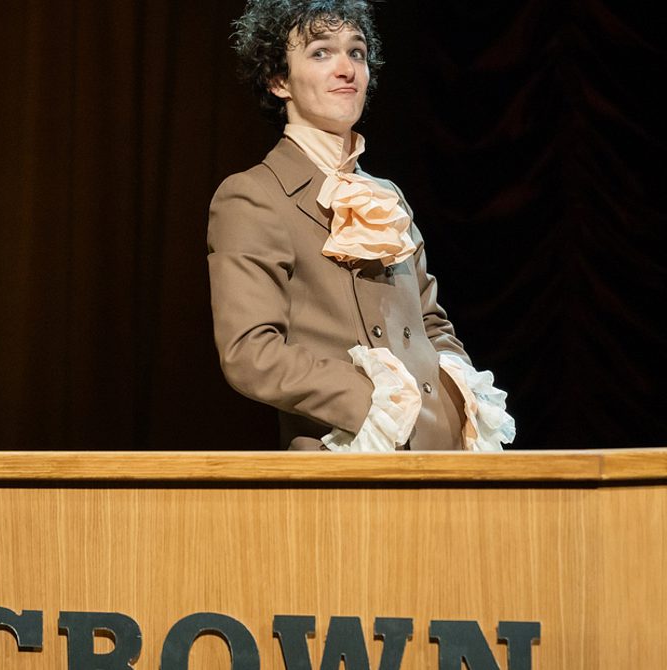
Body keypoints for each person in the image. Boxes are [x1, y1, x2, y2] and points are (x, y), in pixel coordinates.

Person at [207, 0, 515, 451]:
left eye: (357, 52)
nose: (346, 68)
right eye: (320, 52)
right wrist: (376, 403)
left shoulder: (385, 196)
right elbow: (250, 353)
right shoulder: (253, 196)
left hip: (441, 453)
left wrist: (457, 399)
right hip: (349, 453)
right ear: (278, 81)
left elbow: (430, 323)